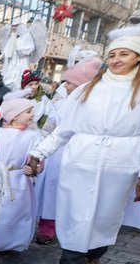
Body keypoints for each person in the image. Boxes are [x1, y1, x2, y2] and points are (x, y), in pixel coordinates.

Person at [23, 25, 140, 264]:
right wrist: (39, 152)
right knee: (75, 215)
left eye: (124, 54)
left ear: (139, 57)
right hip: (81, 158)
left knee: (105, 216)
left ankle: (94, 253)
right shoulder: (88, 89)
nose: (116, 60)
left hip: (120, 161)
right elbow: (64, 129)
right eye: (113, 54)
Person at [34, 55, 103, 245]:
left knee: (73, 195)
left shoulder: (95, 107)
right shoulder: (60, 104)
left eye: (71, 84)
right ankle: (46, 227)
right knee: (50, 192)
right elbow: (49, 128)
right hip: (55, 155)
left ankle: (71, 227)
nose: (67, 87)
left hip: (79, 155)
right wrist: (41, 148)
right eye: (67, 83)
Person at [0, 98, 41, 253]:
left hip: (20, 180)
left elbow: (37, 157)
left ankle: (14, 242)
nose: (33, 114)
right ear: (14, 116)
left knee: (18, 212)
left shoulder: (33, 135)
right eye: (28, 111)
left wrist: (34, 169)